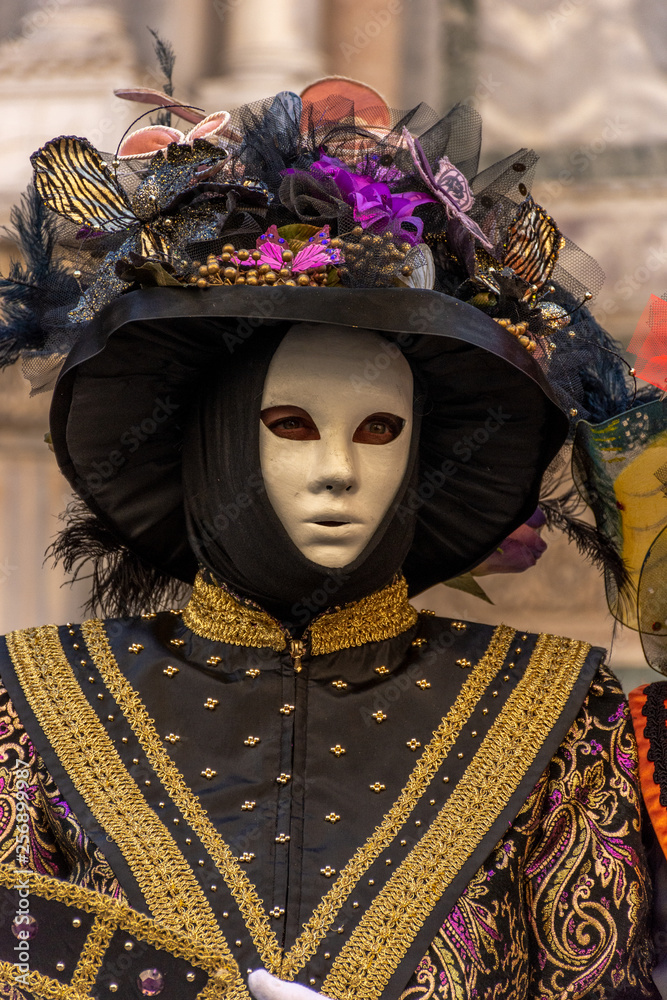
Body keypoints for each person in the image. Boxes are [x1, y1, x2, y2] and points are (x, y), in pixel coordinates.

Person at [0, 62, 658, 999]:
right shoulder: (30, 704)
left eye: (380, 430)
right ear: (215, 444)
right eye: (289, 426)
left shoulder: (556, 711)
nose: (341, 470)